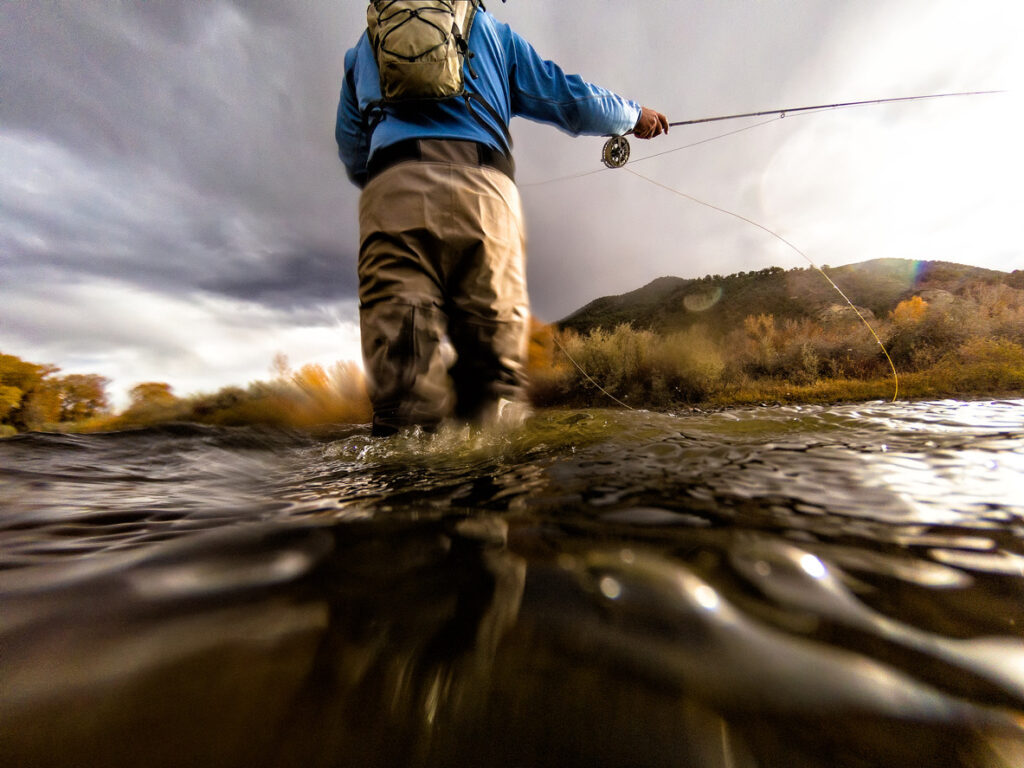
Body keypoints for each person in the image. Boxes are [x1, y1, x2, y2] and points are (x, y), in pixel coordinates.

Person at [336, 2, 668, 436]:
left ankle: (407, 485)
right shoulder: (494, 34)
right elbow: (567, 98)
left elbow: (351, 149)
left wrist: (393, 182)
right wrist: (632, 115)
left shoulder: (363, 49)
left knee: (403, 386)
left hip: (394, 196)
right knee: (493, 391)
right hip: (485, 196)